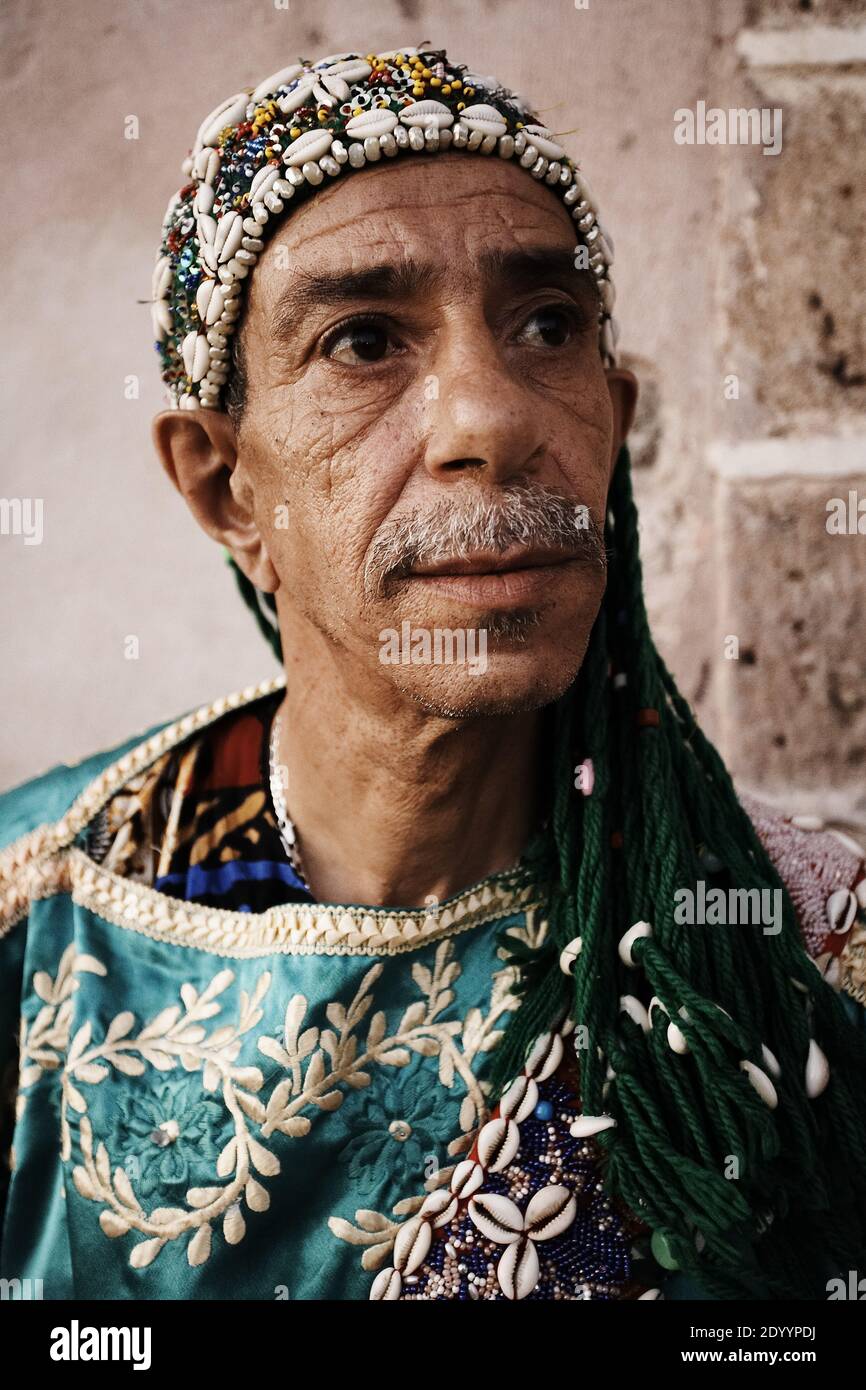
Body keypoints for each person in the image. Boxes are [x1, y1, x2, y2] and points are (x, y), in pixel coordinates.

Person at [1, 44, 864, 1303]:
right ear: (222, 483)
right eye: (361, 341)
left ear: (611, 417)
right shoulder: (42, 917)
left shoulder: (799, 954)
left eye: (546, 326)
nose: (490, 420)